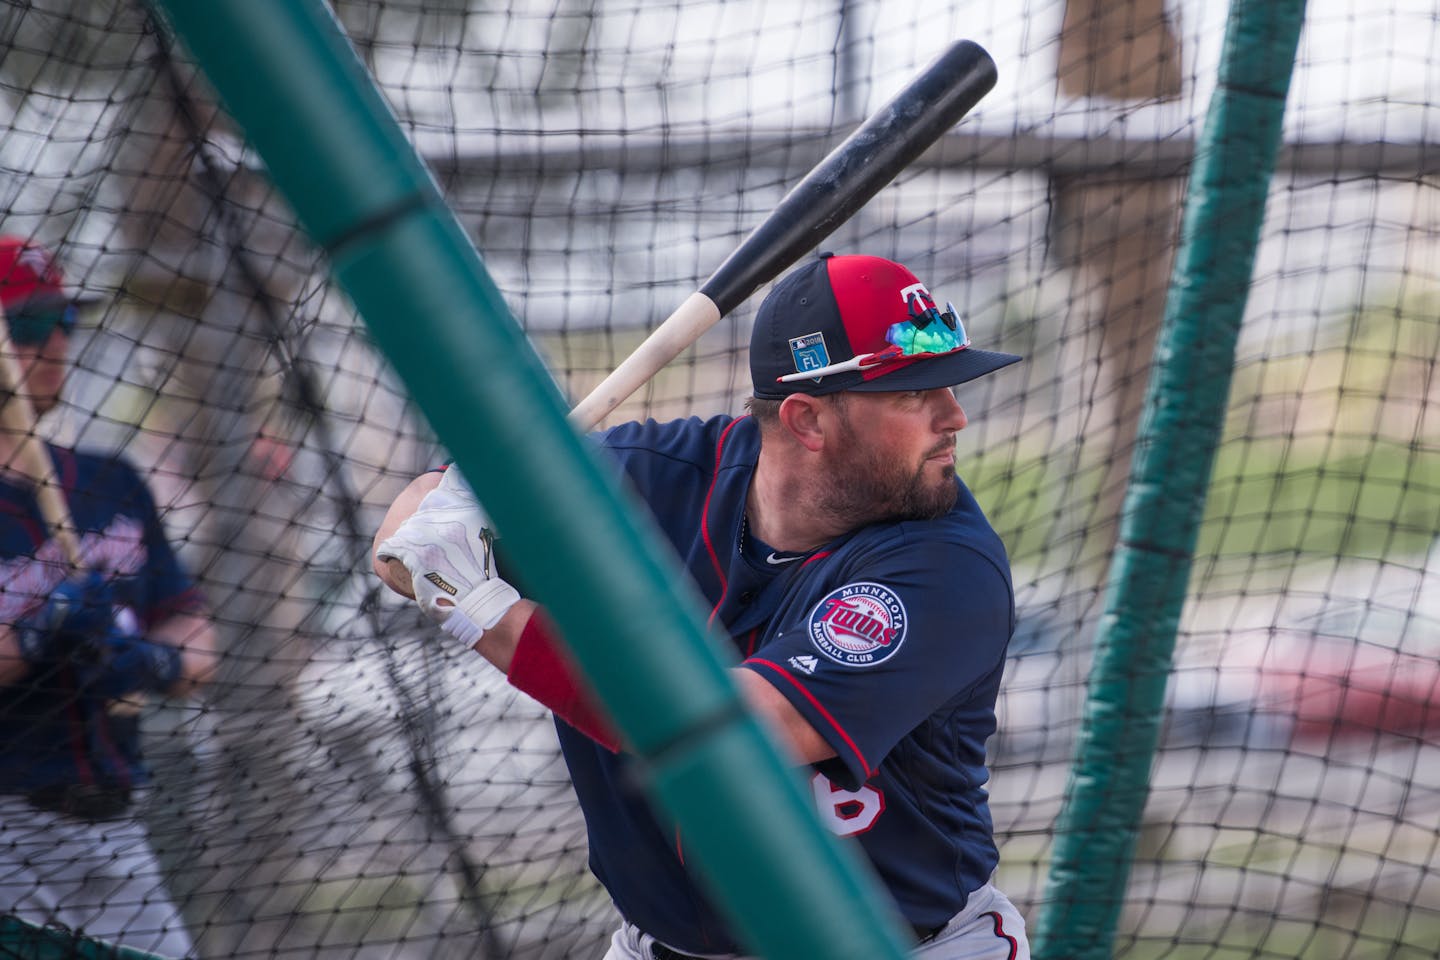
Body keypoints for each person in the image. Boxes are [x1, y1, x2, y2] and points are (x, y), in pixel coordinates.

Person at [374, 252, 1030, 960]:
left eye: (948, 388)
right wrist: (453, 497)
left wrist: (480, 608)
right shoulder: (651, 476)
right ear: (808, 421)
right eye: (912, 396)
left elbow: (730, 738)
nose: (954, 416)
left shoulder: (947, 562)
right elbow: (400, 540)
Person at [0, 236, 219, 957]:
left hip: (115, 824)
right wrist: (41, 630)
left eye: (63, 322)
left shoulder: (108, 481)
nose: (56, 343)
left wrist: (147, 662)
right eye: (28, 329)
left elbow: (197, 643)